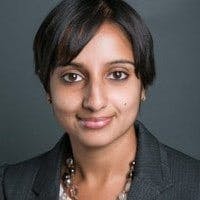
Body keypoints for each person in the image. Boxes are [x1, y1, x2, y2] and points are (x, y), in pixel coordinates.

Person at [0, 0, 199, 199]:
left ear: (143, 85)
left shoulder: (194, 185)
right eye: (72, 76)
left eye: (117, 75)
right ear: (48, 88)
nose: (95, 102)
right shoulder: (9, 186)